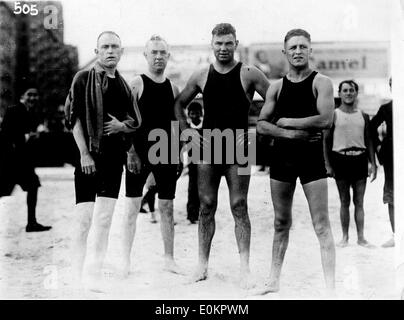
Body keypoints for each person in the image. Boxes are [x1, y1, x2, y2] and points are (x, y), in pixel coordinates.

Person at [174, 23, 269, 288]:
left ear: (236, 44)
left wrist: (262, 127)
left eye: (228, 43)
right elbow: (179, 104)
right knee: (206, 206)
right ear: (211, 44)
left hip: (238, 147)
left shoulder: (249, 73)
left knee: (239, 206)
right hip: (208, 148)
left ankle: (245, 269)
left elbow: (274, 100)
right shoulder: (202, 75)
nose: (223, 48)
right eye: (219, 43)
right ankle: (202, 265)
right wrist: (188, 135)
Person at [256, 29, 335, 294]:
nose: (298, 51)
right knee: (280, 222)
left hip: (311, 160)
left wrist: (289, 120)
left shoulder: (321, 82)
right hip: (282, 159)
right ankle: (273, 280)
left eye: (303, 46)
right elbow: (262, 125)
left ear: (310, 50)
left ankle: (331, 289)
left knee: (321, 224)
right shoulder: (276, 87)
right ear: (285, 52)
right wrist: (288, 133)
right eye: (293, 47)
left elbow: (326, 119)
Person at [64, 31, 141, 289]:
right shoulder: (83, 78)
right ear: (97, 51)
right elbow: (73, 118)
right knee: (84, 217)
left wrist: (122, 127)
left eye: (115, 47)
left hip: (113, 160)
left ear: (121, 52)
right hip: (88, 157)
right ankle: (75, 275)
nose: (110, 51)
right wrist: (84, 154)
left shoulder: (123, 85)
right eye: (105, 47)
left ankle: (94, 275)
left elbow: (133, 122)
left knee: (105, 219)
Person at [122, 35, 182, 277]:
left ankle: (169, 259)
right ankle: (125, 261)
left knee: (167, 207)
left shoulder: (174, 88)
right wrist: (130, 151)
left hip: (166, 151)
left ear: (168, 56)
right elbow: (126, 121)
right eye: (154, 52)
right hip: (140, 152)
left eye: (162, 53)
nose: (158, 56)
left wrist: (177, 155)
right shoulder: (137, 83)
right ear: (146, 56)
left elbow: (176, 124)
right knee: (132, 208)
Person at [324, 80, 377, 248]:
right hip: (340, 159)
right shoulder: (333, 115)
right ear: (339, 93)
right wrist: (328, 164)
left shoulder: (363, 115)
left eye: (351, 90)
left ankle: (361, 238)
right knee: (344, 201)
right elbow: (325, 141)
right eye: (345, 90)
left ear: (356, 93)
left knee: (359, 202)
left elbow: (369, 140)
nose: (348, 93)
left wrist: (373, 164)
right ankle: (345, 237)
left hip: (360, 159)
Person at [0, 86, 52, 232]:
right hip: (11, 160)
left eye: (35, 96)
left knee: (33, 186)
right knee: (4, 191)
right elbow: (5, 134)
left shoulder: (33, 113)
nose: (33, 98)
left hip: (23, 160)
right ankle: (31, 223)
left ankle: (32, 223)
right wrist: (26, 136)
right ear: (22, 96)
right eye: (30, 95)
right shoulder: (13, 110)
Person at [370, 78, 394, 247]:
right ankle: (396, 234)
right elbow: (371, 128)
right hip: (392, 156)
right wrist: (379, 147)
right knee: (392, 194)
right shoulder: (386, 108)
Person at [186, 101, 203, 224]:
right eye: (192, 113)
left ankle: (201, 213)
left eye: (197, 113)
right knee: (192, 189)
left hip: (205, 161)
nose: (195, 116)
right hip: (192, 162)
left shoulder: (206, 126)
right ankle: (192, 215)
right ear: (189, 115)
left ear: (201, 113)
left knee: (203, 188)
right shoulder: (187, 127)